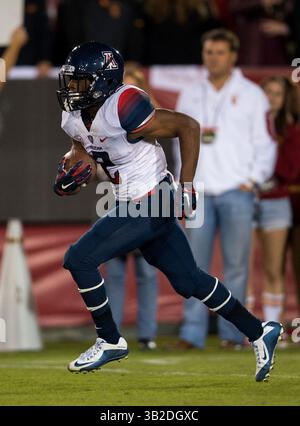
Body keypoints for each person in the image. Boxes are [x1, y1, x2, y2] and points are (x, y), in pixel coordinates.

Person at [54, 40, 282, 382]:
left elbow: (187, 126)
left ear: (103, 80)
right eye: (71, 80)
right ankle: (259, 330)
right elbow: (83, 147)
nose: (73, 88)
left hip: (151, 196)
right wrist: (73, 169)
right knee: (188, 280)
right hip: (131, 197)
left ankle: (109, 339)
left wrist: (187, 186)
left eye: (81, 81)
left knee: (79, 258)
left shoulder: (123, 104)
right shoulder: (73, 116)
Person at [176, 29, 276, 350]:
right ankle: (192, 334)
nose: (213, 58)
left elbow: (265, 141)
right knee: (193, 267)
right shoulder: (190, 93)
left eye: (219, 52)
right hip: (200, 190)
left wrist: (254, 179)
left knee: (235, 267)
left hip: (236, 189)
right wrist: (185, 182)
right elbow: (180, 142)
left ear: (233, 56)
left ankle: (233, 335)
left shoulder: (251, 94)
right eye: (208, 52)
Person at [104, 65, 160, 350]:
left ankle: (147, 334)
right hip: (115, 198)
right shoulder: (105, 122)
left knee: (147, 270)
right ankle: (109, 336)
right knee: (113, 270)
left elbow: (164, 165)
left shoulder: (154, 124)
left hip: (148, 199)